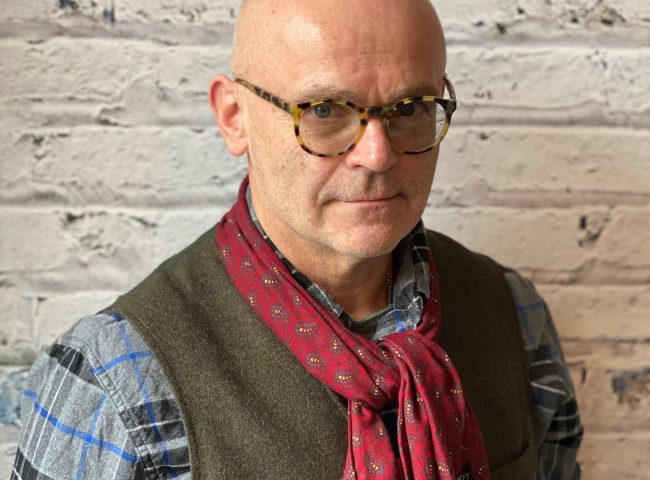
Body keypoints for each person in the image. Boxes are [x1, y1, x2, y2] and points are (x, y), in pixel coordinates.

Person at [12, 0, 583, 478]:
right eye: (325, 110)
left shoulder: (513, 314)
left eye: (409, 107)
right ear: (234, 117)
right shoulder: (113, 382)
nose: (377, 154)